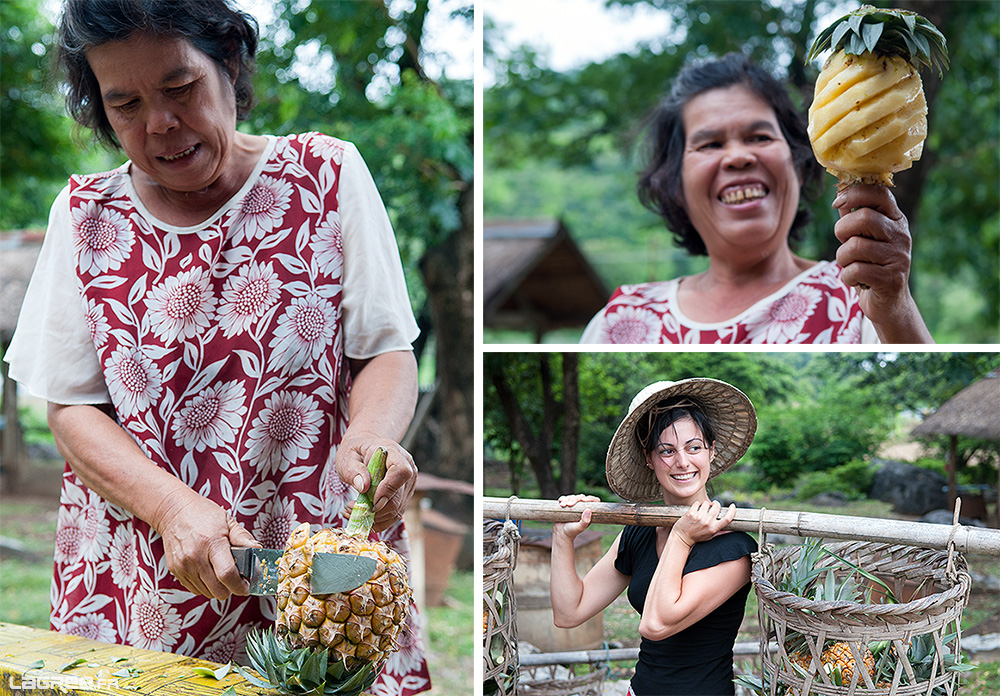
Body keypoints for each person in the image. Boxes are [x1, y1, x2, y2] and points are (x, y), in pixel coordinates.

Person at [3, 0, 430, 692]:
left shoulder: (326, 176)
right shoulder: (86, 217)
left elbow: (383, 349)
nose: (160, 124)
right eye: (126, 105)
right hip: (143, 582)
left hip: (322, 581)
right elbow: (71, 408)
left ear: (228, 62)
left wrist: (371, 437)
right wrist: (173, 508)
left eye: (180, 88)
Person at [580, 53, 933, 344]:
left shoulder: (861, 301)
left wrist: (894, 304)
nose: (738, 157)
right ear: (675, 182)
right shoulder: (618, 324)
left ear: (798, 162)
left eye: (760, 137)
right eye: (710, 144)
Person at [551, 379, 758, 696]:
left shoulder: (734, 548)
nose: (683, 462)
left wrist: (682, 538)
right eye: (667, 451)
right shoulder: (640, 531)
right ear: (648, 459)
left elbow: (656, 625)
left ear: (711, 451)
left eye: (694, 447)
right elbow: (569, 612)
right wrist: (563, 537)